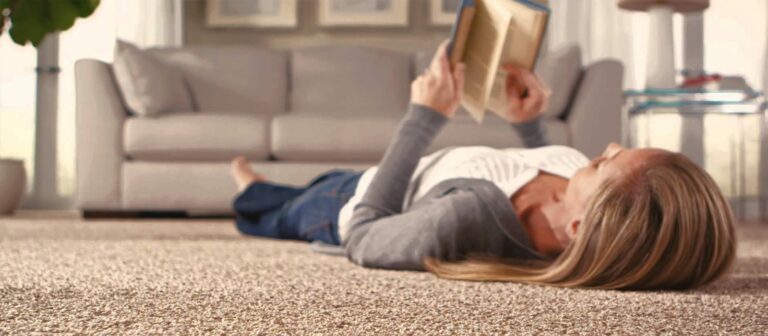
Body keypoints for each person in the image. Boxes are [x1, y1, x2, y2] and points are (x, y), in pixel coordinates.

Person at [230, 42, 735, 290]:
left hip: (347, 202)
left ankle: (250, 187)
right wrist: (529, 123)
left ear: (580, 228)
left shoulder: (463, 219)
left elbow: (364, 235)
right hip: (391, 175)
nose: (602, 146)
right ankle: (264, 182)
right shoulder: (583, 201)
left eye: (604, 162)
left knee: (276, 210)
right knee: (295, 188)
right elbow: (547, 161)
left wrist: (422, 119)